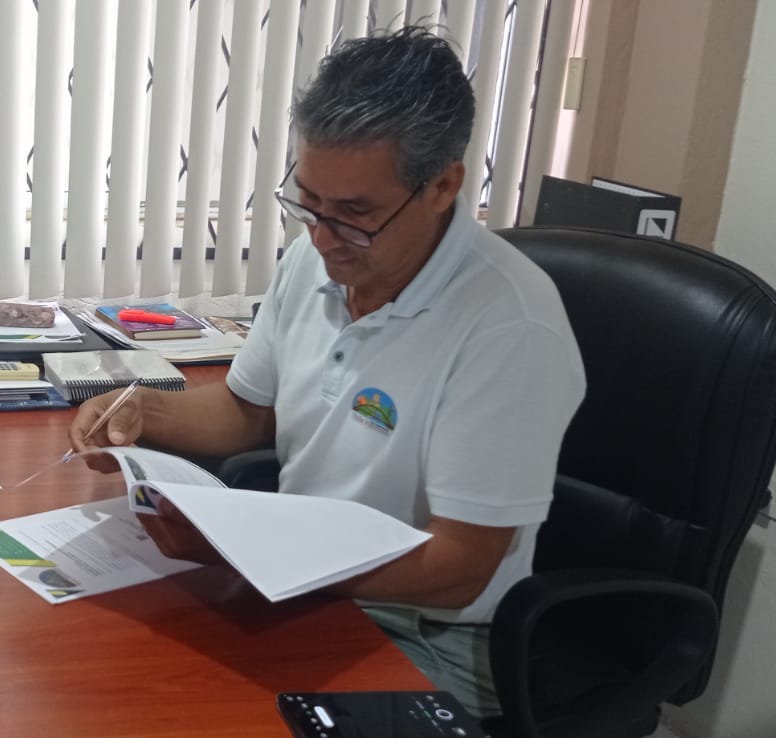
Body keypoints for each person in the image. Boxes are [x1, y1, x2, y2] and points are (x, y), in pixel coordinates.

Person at [67, 27, 585, 718]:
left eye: (355, 213)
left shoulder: (509, 326)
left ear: (443, 186)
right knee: (101, 673)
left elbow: (459, 571)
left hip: (432, 635)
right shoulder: (317, 259)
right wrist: (139, 409)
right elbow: (248, 413)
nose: (320, 235)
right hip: (301, 587)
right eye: (308, 201)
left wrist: (241, 557)